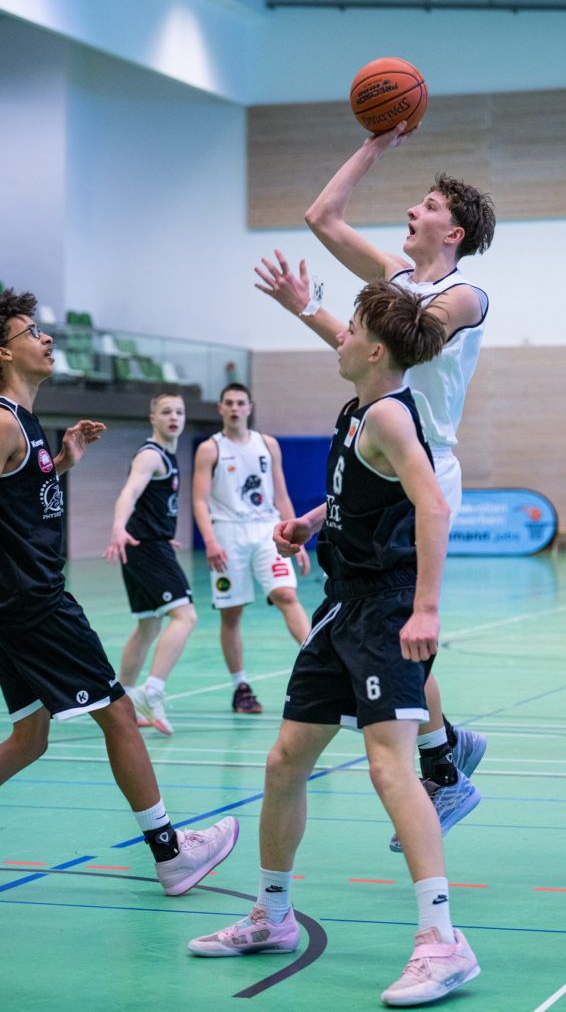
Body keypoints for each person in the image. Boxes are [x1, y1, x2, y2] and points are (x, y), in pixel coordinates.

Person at [188, 281, 481, 1006]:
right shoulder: (358, 411)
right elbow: (369, 490)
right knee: (285, 759)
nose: (339, 338)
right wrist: (313, 522)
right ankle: (273, 915)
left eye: (349, 328)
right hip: (342, 605)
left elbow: (432, 505)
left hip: (385, 609)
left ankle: (443, 941)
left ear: (375, 350)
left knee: (390, 768)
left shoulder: (389, 414)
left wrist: (425, 610)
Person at [253, 125, 495, 850]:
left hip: (426, 459)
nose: (412, 211)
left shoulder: (464, 296)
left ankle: (442, 765)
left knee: (397, 624)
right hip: (378, 446)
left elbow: (397, 347)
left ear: (453, 231)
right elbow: (321, 218)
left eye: (427, 206)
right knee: (379, 623)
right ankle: (447, 750)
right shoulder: (394, 278)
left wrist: (309, 310)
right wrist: (373, 145)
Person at [0, 289, 238, 895]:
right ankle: (171, 853)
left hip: (19, 604)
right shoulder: (1, 421)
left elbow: (14, 496)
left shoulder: (24, 423)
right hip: (34, 603)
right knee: (121, 714)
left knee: (30, 739)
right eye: (30, 332)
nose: (46, 338)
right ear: (3, 352)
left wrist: (62, 461)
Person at [193, 383, 311, 714]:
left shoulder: (268, 444)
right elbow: (199, 501)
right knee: (232, 613)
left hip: (267, 531)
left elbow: (281, 495)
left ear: (249, 407)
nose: (234, 408)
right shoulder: (210, 449)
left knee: (287, 595)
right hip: (227, 534)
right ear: (221, 408)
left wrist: (296, 536)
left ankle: (319, 662)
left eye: (240, 402)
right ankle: (241, 687)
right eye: (229, 403)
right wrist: (210, 540)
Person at [104, 392, 196, 736]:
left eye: (179, 412)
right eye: (166, 411)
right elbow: (129, 493)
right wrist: (118, 526)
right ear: (153, 418)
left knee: (148, 626)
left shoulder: (168, 456)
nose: (174, 417)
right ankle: (151, 691)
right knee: (186, 616)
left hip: (149, 544)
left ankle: (123, 700)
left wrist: (161, 532)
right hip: (144, 547)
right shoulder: (151, 455)